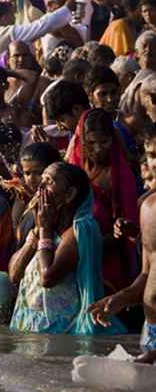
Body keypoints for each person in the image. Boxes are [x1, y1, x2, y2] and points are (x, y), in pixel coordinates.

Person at [9, 162, 127, 335]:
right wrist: (37, 230)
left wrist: (44, 230)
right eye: (42, 179)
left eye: (49, 181)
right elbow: (14, 274)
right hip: (29, 330)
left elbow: (47, 278)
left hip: (61, 334)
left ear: (69, 194)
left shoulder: (78, 232)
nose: (40, 186)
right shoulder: (42, 225)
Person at [89, 125, 156, 363]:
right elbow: (149, 273)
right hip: (150, 333)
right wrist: (122, 297)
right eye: (153, 156)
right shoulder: (148, 208)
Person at [66, 109, 140, 293]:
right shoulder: (75, 168)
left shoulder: (120, 175)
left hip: (106, 257)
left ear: (112, 140)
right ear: (81, 140)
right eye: (91, 143)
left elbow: (128, 231)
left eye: (104, 142)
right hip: (70, 251)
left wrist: (89, 246)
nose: (98, 149)